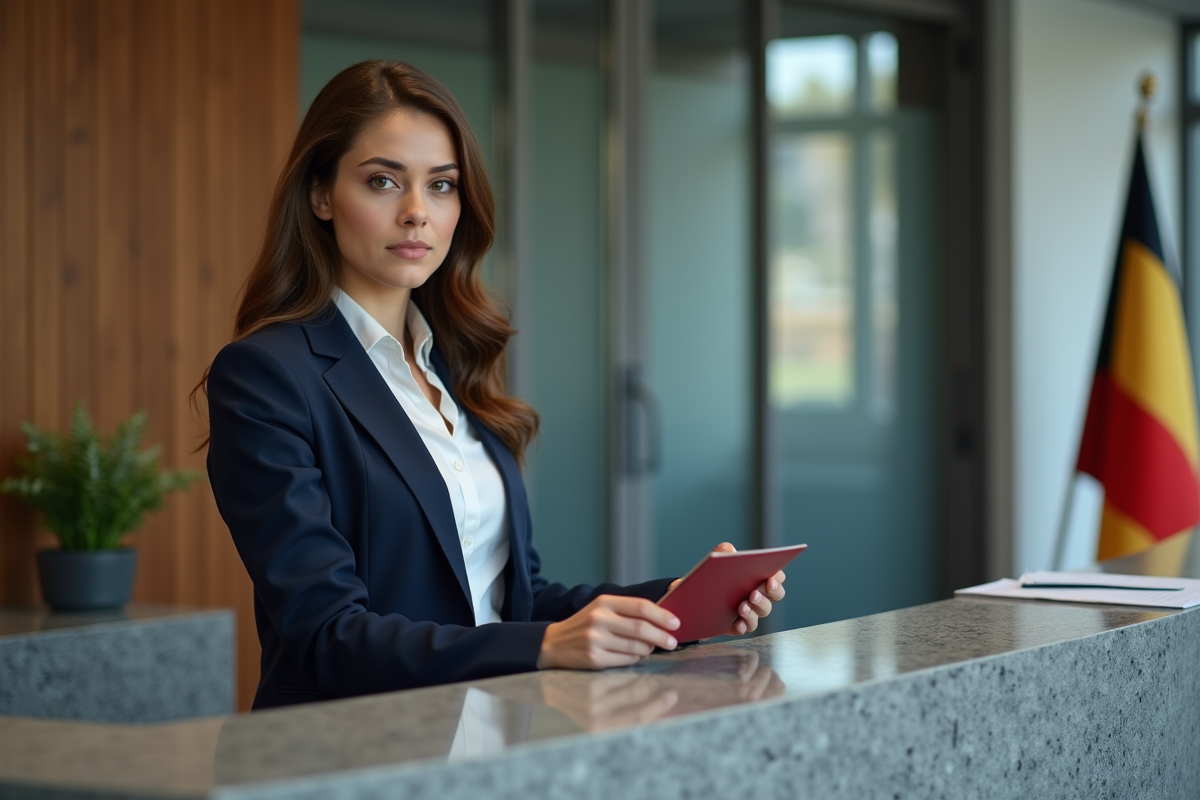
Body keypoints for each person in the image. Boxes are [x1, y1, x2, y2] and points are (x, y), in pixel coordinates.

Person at [201, 60, 786, 711]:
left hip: (489, 735)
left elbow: (513, 598)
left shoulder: (452, 363)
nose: (417, 213)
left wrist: (673, 603)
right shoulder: (268, 375)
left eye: (442, 185)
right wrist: (541, 645)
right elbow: (327, 637)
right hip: (352, 752)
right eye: (383, 181)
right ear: (321, 195)